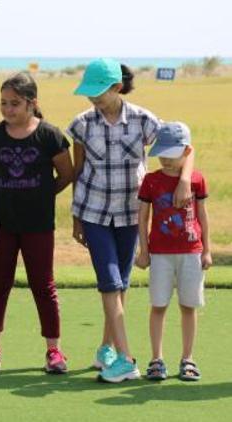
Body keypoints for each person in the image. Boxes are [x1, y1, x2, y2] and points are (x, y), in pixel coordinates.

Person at [69, 58, 194, 383]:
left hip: (131, 213)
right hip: (94, 212)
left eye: (99, 92)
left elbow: (185, 149)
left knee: (120, 285)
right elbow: (78, 172)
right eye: (89, 92)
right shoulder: (81, 124)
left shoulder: (144, 119)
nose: (93, 98)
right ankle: (126, 359)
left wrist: (184, 180)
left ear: (117, 88)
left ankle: (105, 349)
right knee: (109, 282)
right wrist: (76, 216)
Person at [0, 73, 73, 374]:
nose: (8, 109)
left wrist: (43, 194)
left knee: (43, 285)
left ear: (33, 103)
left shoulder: (51, 136)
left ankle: (54, 351)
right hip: (1, 223)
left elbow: (66, 174)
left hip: (39, 224)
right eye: (3, 103)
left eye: (15, 103)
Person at [135, 122, 211, 381]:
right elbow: (143, 217)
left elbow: (202, 215)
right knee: (159, 305)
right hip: (160, 255)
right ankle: (156, 359)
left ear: (186, 152)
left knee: (188, 306)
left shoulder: (197, 180)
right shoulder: (151, 181)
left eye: (172, 153)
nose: (166, 159)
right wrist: (143, 251)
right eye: (162, 153)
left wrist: (207, 250)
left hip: (192, 252)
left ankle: (187, 359)